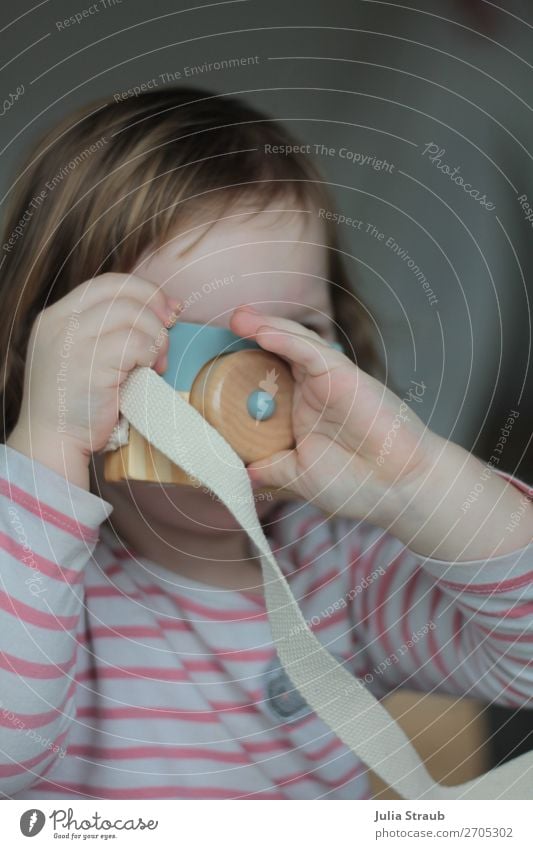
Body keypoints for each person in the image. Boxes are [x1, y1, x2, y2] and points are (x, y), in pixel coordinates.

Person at [1, 88, 532, 800]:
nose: (251, 397)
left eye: (288, 338)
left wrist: (414, 477)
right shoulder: (32, 572)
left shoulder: (336, 565)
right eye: (177, 349)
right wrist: (47, 450)